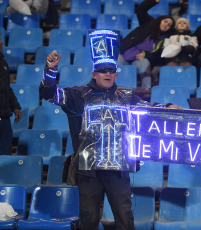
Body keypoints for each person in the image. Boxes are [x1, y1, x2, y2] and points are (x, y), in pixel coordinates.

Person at [39, 30, 181, 230]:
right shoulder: (76, 95)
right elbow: (47, 92)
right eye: (103, 70)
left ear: (115, 73)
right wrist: (50, 71)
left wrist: (167, 108)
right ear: (94, 73)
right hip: (89, 170)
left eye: (111, 70)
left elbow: (147, 109)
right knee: (89, 219)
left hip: (118, 168)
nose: (108, 74)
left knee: (124, 217)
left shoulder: (126, 95)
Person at [119, 0, 175, 90]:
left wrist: (146, 54)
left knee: (145, 63)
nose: (166, 25)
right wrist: (153, 1)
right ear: (160, 20)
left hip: (137, 61)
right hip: (124, 53)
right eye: (165, 21)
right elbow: (141, 10)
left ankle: (146, 89)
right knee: (115, 61)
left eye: (169, 25)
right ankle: (114, 89)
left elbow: (159, 55)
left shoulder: (164, 39)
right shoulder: (149, 23)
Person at [0, 39, 21, 156]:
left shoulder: (3, 63)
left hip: (4, 118)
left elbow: (7, 88)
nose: (1, 42)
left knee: (5, 155)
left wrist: (15, 106)